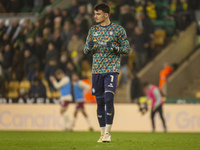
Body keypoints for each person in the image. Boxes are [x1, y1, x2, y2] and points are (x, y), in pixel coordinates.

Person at [84, 3, 130, 142]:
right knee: (99, 102)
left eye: (98, 14)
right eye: (94, 14)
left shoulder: (118, 30)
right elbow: (85, 49)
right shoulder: (93, 30)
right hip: (96, 70)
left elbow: (126, 49)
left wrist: (115, 48)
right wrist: (88, 47)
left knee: (109, 98)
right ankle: (102, 133)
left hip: (111, 70)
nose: (95, 16)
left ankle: (108, 134)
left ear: (106, 14)